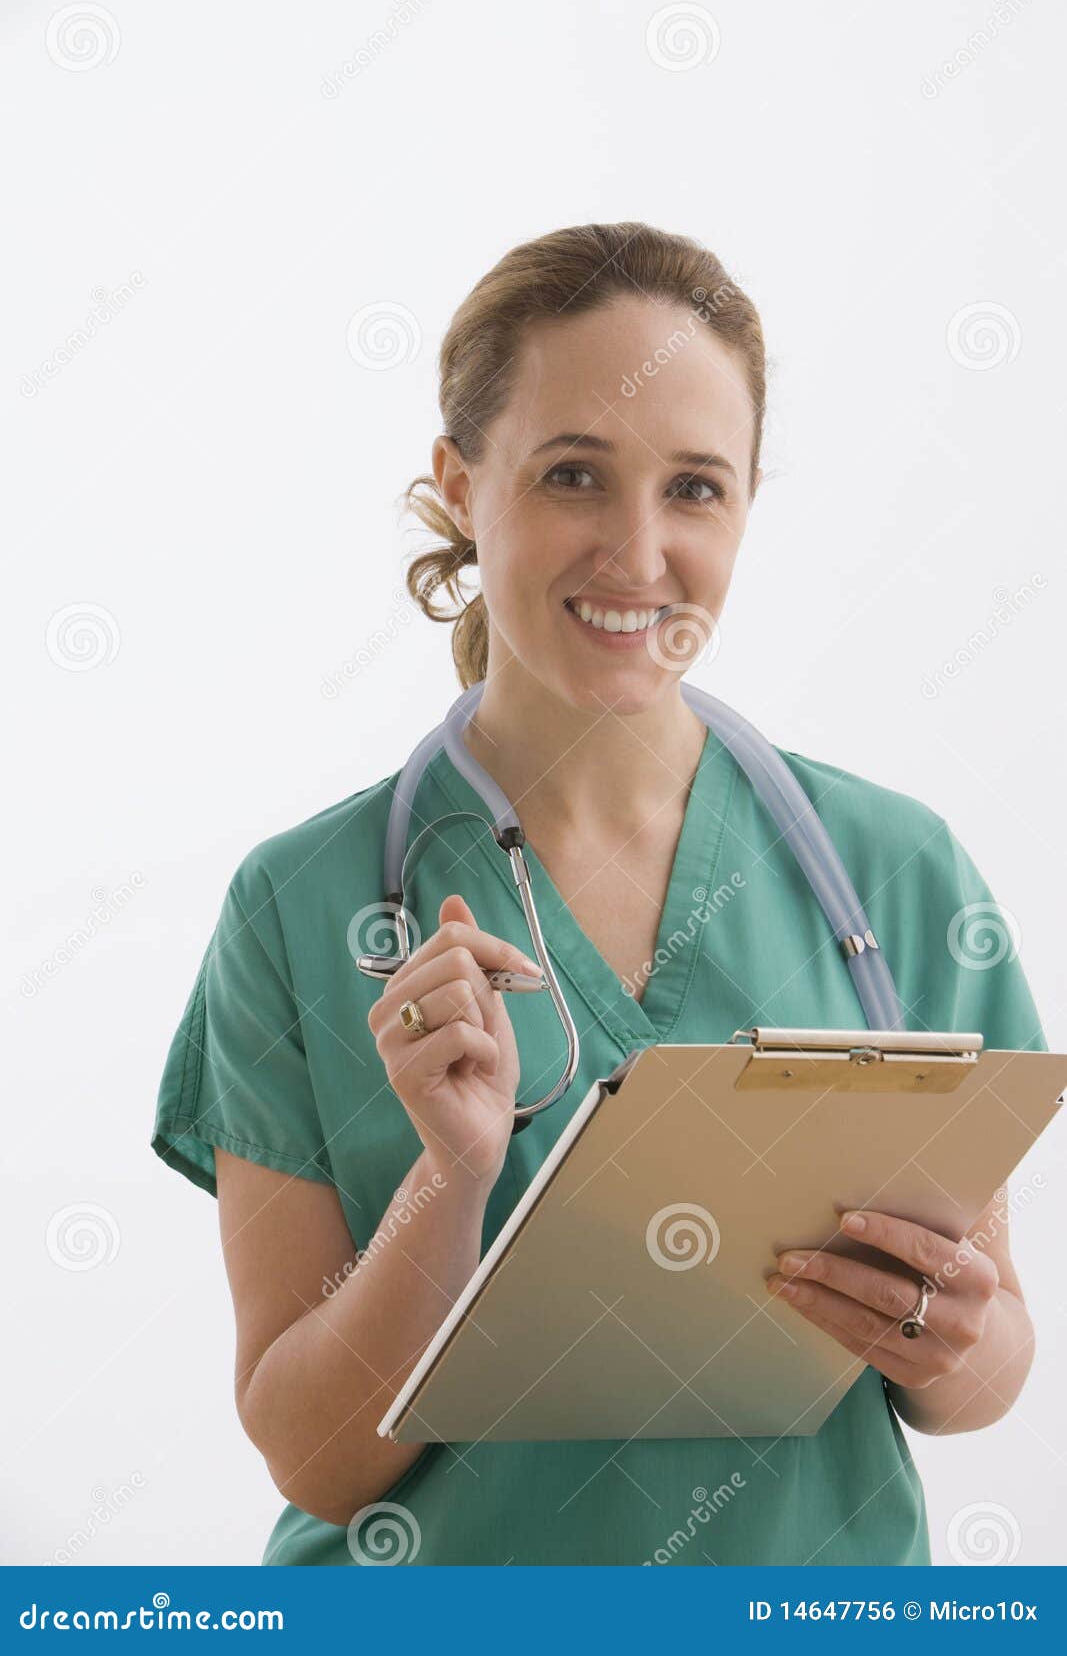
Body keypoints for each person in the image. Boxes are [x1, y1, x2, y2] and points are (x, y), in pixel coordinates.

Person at [151, 221, 1046, 1567]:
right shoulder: (303, 905)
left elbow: (979, 1375)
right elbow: (320, 1459)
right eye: (574, 473)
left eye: (696, 489)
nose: (638, 552)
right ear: (461, 483)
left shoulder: (894, 873)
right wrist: (452, 1178)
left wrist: (957, 1336)